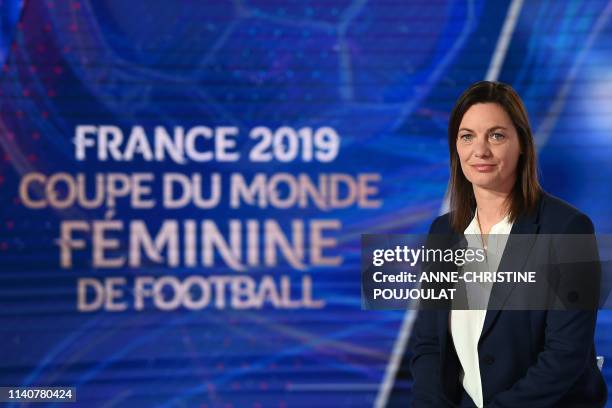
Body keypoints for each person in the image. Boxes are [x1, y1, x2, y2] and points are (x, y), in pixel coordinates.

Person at [409, 81, 607, 407]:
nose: (480, 150)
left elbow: (565, 356)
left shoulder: (569, 229)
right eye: (467, 136)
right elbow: (429, 345)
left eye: (496, 135)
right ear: (455, 148)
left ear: (522, 145)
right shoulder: (442, 233)